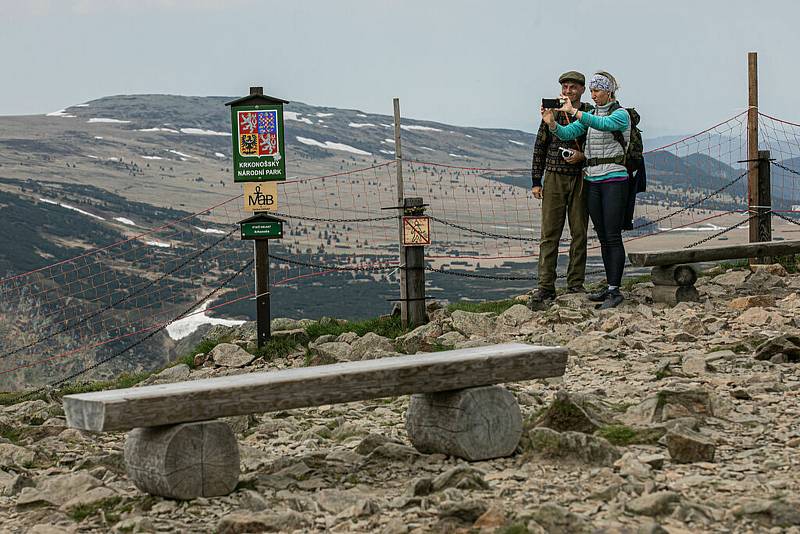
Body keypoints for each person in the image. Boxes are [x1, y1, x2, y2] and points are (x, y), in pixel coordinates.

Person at [542, 71, 630, 309]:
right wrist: (552, 124)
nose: (594, 95)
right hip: (593, 179)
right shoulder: (590, 114)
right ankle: (611, 286)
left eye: (598, 91)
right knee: (602, 236)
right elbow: (569, 133)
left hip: (614, 179)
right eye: (592, 91)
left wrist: (573, 112)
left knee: (612, 235)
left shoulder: (621, 115)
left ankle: (615, 289)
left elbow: (602, 124)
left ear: (609, 91)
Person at [528, 71, 594, 309]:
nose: (568, 91)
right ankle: (545, 286)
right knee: (549, 234)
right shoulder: (552, 113)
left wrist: (582, 157)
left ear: (582, 89)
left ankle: (575, 283)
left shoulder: (588, 113)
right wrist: (536, 181)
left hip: (581, 177)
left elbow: (597, 145)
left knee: (579, 232)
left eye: (573, 87)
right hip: (554, 177)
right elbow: (540, 147)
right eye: (565, 87)